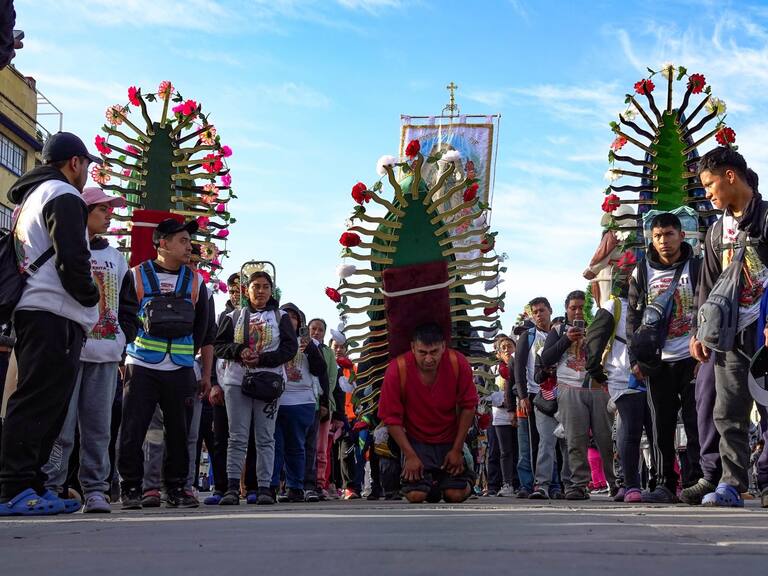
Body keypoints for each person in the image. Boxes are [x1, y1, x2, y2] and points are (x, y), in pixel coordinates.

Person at [0, 132, 101, 516]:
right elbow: (72, 259)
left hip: (37, 309)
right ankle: (15, 487)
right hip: (52, 311)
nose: (87, 173)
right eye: (87, 164)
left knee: (44, 401)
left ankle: (31, 485)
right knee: (38, 401)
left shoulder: (30, 199)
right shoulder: (63, 193)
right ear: (74, 162)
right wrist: (90, 296)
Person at [41, 188, 139, 513]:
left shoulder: (116, 258)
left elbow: (129, 307)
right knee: (61, 427)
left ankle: (96, 489)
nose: (109, 215)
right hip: (69, 350)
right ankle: (51, 487)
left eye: (111, 210)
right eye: (103, 209)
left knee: (98, 427)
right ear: (84, 212)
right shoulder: (67, 249)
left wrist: (123, 337)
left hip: (106, 353)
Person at [691, 147, 768, 507]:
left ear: (730, 176)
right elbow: (707, 285)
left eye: (709, 184)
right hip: (729, 333)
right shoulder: (716, 231)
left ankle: (766, 482)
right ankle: (732, 485)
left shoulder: (766, 217)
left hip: (764, 329)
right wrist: (699, 332)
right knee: (727, 411)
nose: (708, 193)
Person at [118, 218, 210, 510]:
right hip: (142, 365)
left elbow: (204, 330)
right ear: (163, 243)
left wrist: (204, 372)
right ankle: (131, 487)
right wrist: (122, 359)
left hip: (181, 368)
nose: (189, 246)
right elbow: (124, 320)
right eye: (182, 241)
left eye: (189, 241)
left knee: (180, 433)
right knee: (133, 429)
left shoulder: (196, 281)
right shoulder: (135, 276)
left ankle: (177, 488)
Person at [627, 212, 702, 503]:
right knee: (661, 426)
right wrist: (637, 359)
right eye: (657, 236)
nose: (663, 241)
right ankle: (664, 484)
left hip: (694, 357)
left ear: (681, 236)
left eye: (669, 234)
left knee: (697, 423)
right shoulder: (642, 272)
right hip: (658, 362)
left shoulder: (697, 267)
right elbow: (632, 319)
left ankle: (696, 481)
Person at [214, 271, 297, 505]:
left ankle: (264, 488)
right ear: (246, 290)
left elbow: (290, 349)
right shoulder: (232, 316)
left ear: (272, 290)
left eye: (265, 286)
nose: (260, 291)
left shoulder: (280, 317)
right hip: (237, 381)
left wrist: (262, 359)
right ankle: (232, 487)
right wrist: (240, 351)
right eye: (255, 286)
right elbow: (219, 345)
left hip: (268, 383)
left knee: (265, 437)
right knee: (237, 436)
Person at [378, 323, 478, 503]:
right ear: (412, 348)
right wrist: (410, 456)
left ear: (443, 347)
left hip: (450, 439)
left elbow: (469, 406)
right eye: (422, 352)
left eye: (434, 352)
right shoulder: (397, 368)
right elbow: (390, 418)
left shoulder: (458, 362)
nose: (429, 359)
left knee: (454, 495)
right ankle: (429, 485)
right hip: (415, 441)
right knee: (416, 496)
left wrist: (457, 449)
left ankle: (466, 477)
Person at [585, 278, 646, 503]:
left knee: (658, 434)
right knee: (629, 433)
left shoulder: (651, 301)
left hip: (655, 377)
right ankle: (629, 485)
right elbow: (594, 341)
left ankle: (663, 483)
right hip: (623, 379)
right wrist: (598, 374)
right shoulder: (614, 306)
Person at [271, 303, 327, 502]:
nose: (290, 320)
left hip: (302, 401)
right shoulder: (273, 340)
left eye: (294, 317)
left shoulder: (308, 342)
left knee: (298, 447)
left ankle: (297, 487)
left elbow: (321, 371)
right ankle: (271, 487)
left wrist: (311, 348)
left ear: (299, 321)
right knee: (275, 447)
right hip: (276, 400)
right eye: (286, 316)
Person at [306, 318, 341, 501]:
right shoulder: (302, 347)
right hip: (305, 403)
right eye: (313, 329)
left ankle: (320, 484)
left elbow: (331, 379)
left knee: (321, 448)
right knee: (305, 446)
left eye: (320, 330)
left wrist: (325, 401)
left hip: (325, 404)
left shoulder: (328, 352)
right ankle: (304, 483)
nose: (316, 332)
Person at [490, 335, 518, 496]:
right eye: (503, 348)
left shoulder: (521, 367)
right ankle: (506, 483)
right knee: (504, 451)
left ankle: (519, 482)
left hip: (519, 414)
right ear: (498, 354)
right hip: (500, 417)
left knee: (520, 450)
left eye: (510, 346)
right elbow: (486, 393)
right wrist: (501, 401)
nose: (507, 350)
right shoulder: (493, 371)